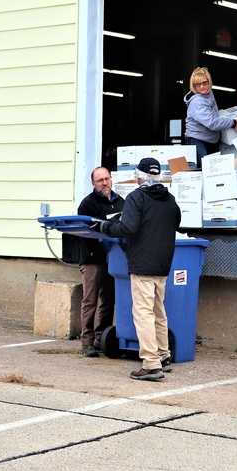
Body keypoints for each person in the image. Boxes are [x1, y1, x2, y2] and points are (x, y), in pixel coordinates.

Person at [92, 157, 181, 381]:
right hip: (163, 263)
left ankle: (151, 364)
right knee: (159, 311)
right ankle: (163, 356)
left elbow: (128, 228)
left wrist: (105, 226)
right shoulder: (170, 199)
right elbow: (176, 223)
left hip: (142, 263)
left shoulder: (136, 197)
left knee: (143, 313)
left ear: (139, 175)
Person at [76, 166, 125, 357]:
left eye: (107, 178)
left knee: (108, 300)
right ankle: (86, 342)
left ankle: (101, 337)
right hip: (92, 259)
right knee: (90, 300)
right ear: (93, 184)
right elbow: (85, 232)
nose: (104, 183)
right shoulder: (87, 204)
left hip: (113, 258)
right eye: (100, 180)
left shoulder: (120, 202)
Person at [183, 66, 237, 169]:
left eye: (204, 83)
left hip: (212, 141)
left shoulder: (209, 94)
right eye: (198, 85)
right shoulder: (197, 101)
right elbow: (212, 122)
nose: (202, 87)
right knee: (203, 171)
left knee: (213, 172)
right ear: (193, 86)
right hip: (198, 140)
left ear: (209, 82)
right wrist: (232, 123)